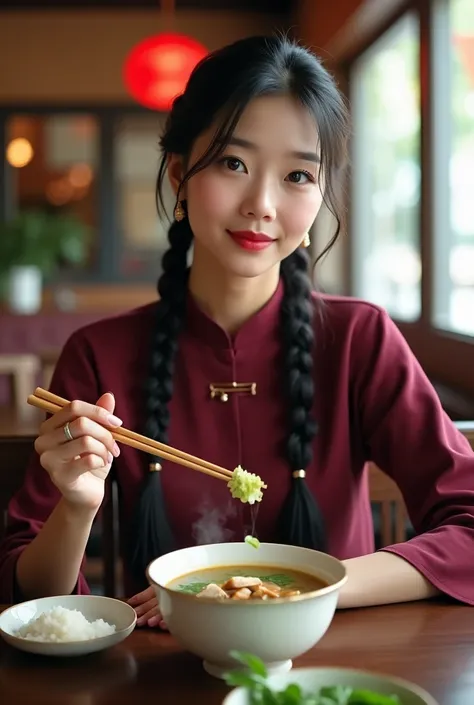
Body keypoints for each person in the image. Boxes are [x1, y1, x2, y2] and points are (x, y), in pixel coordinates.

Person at [1, 35, 473, 629]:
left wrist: (293, 591)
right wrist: (77, 505)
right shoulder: (100, 355)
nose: (262, 204)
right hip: (162, 669)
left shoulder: (361, 338)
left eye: (299, 175)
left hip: (335, 667)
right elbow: (26, 589)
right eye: (233, 163)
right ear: (179, 174)